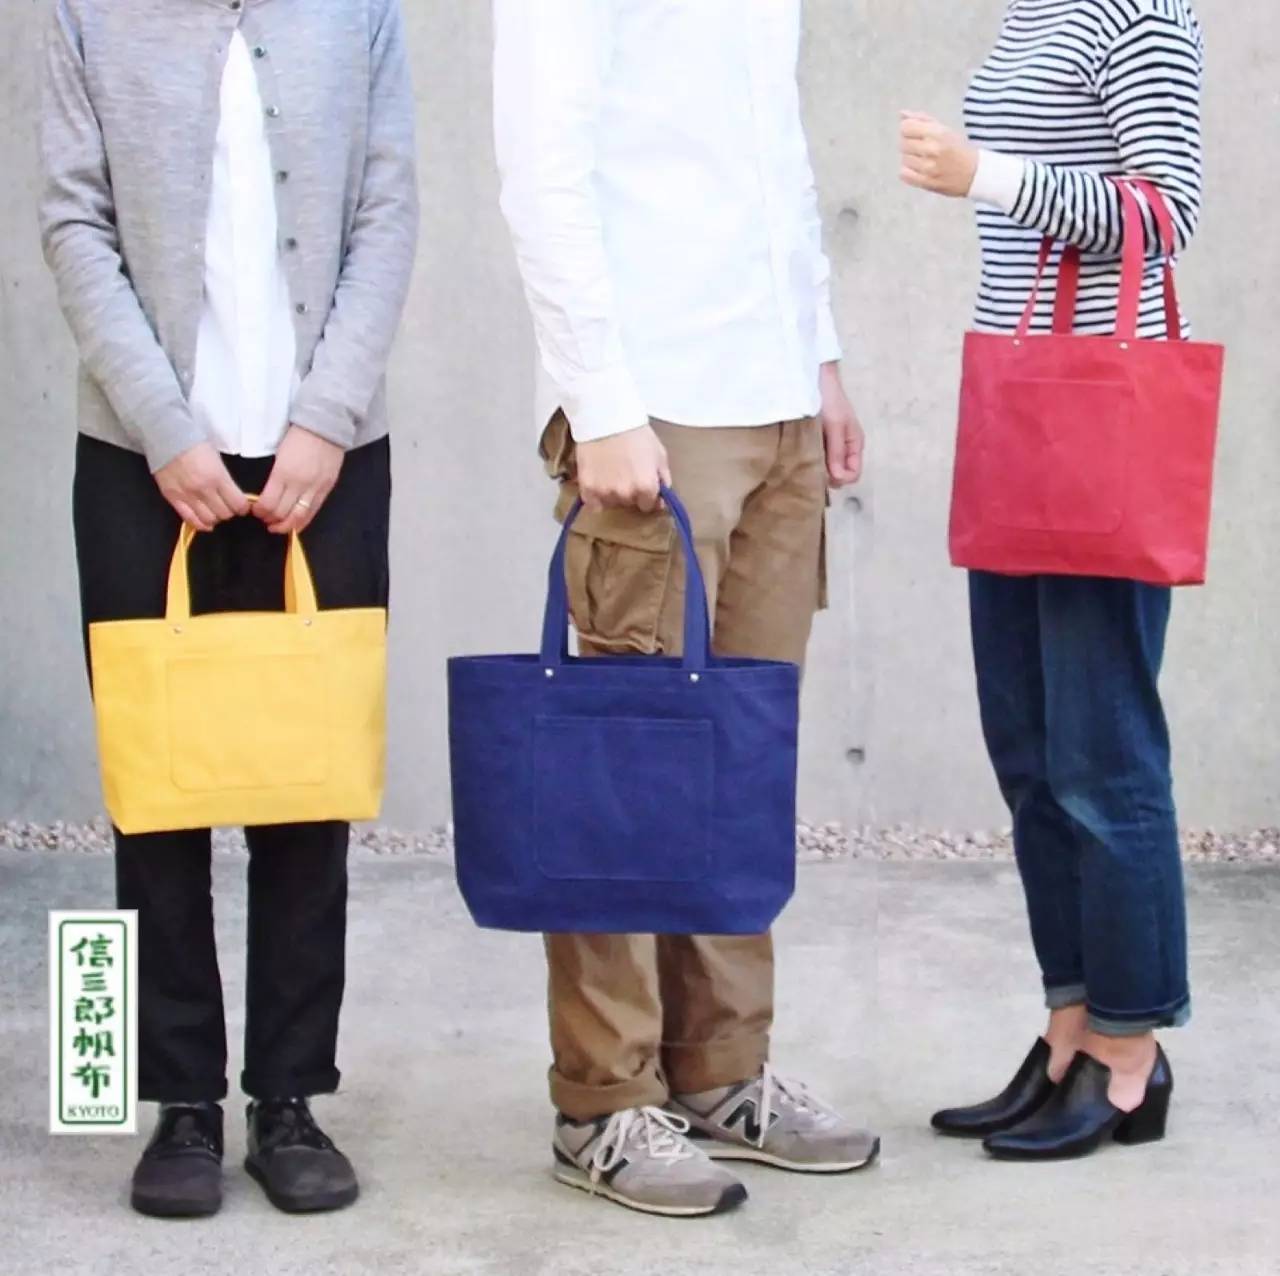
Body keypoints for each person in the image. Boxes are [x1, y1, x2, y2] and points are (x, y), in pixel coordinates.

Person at [494, 0, 879, 1217]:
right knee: (620, 769)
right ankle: (602, 1099)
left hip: (773, 397)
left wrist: (817, 356)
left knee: (740, 765)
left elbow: (774, 156)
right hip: (654, 411)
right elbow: (541, 165)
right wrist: (600, 400)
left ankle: (719, 1070)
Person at [39, 0, 418, 1216]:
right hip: (142, 459)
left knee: (307, 785)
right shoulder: (87, 15)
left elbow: (385, 213)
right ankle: (179, 1104)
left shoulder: (357, 12)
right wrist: (165, 429)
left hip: (325, 456)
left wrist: (327, 419)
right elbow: (74, 222)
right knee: (156, 793)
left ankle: (290, 1097)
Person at [898, 0, 1204, 1159]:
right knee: (1028, 749)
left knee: (1100, 753)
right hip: (1017, 404)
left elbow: (1165, 211)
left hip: (1097, 423)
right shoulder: (1031, 12)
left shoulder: (1138, 11)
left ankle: (1130, 1044)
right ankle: (1069, 1020)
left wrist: (986, 175)